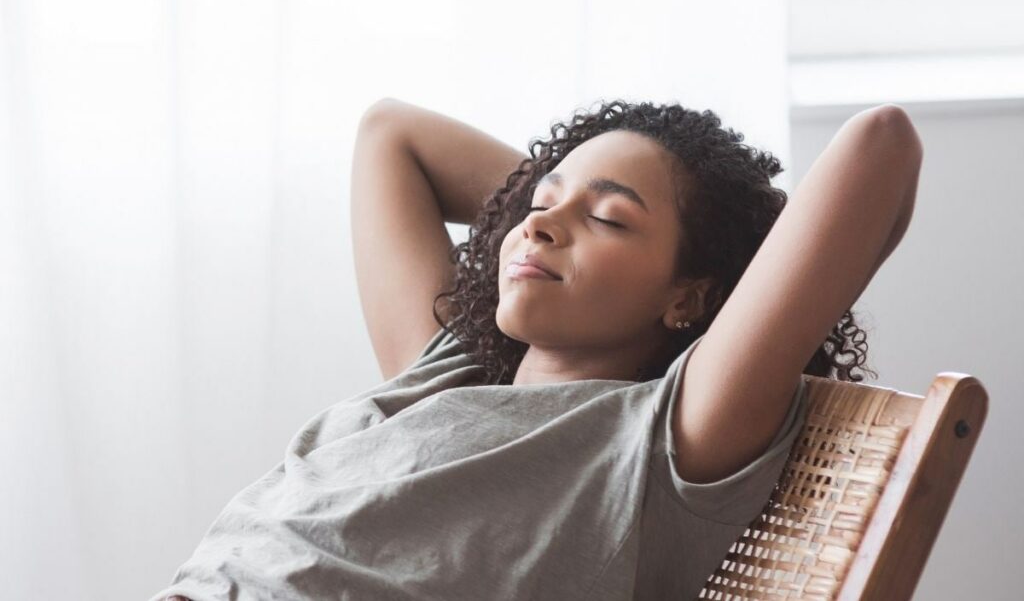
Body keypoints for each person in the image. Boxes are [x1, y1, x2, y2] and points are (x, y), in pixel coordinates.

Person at [152, 97, 922, 601]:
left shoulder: (661, 442)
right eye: (538, 203)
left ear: (690, 294)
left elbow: (881, 143)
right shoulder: (445, 370)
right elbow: (390, 131)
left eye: (611, 220)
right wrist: (575, 207)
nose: (539, 224)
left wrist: (723, 237)